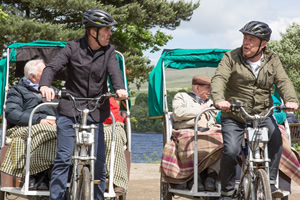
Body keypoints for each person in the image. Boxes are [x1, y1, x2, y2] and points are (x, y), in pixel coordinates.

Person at [39, 9, 128, 200]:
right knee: (63, 158)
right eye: (106, 29)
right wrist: (45, 84)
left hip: (96, 109)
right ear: (92, 31)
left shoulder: (109, 51)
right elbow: (52, 67)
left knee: (99, 163)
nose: (110, 33)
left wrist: (119, 89)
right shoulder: (72, 47)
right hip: (70, 107)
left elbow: (115, 74)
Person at [211, 21, 299, 199]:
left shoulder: (272, 59)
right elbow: (219, 78)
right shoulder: (231, 57)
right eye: (245, 38)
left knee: (276, 140)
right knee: (231, 150)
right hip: (235, 114)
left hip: (261, 113)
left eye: (251, 39)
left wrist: (290, 100)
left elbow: (283, 81)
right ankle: (227, 190)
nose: (246, 43)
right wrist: (219, 99)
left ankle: (271, 183)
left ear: (263, 44)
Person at [0, 59, 58, 190]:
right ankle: (36, 174)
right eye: (44, 72)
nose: (49, 74)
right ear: (32, 76)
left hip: (53, 126)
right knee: (43, 130)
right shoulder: (17, 91)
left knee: (68, 131)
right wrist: (38, 120)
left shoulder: (55, 91)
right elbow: (12, 113)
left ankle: (57, 173)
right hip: (25, 126)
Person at [169, 74, 220, 191]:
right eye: (207, 88)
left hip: (208, 131)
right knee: (190, 138)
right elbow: (178, 113)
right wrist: (200, 110)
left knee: (225, 140)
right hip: (188, 130)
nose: (210, 91)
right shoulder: (181, 97)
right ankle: (193, 177)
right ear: (197, 88)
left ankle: (211, 176)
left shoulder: (211, 102)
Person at [103, 97, 128, 194]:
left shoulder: (105, 95)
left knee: (112, 136)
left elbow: (111, 114)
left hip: (110, 123)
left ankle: (117, 180)